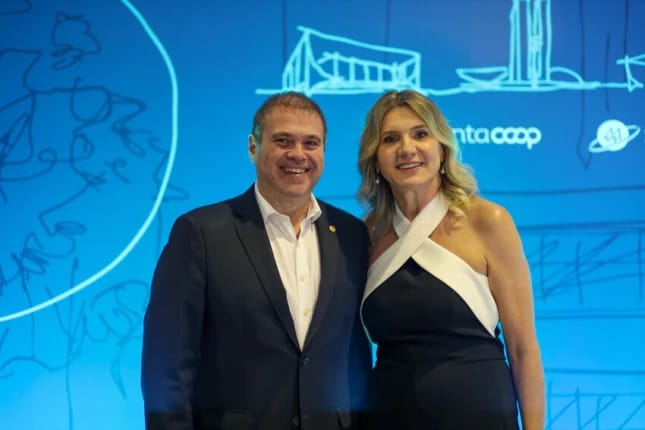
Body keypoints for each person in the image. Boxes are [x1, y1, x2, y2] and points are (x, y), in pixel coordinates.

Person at [141, 92, 372, 430]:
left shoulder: (351, 234)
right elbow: (167, 365)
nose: (298, 154)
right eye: (283, 140)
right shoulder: (201, 234)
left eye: (311, 143)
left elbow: (356, 358)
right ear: (253, 147)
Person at [357, 90, 545, 430]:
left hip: (480, 418)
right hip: (388, 418)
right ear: (375, 159)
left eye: (420, 134)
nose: (407, 148)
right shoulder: (366, 235)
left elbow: (523, 349)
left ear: (442, 149)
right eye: (390, 139)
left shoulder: (488, 222)